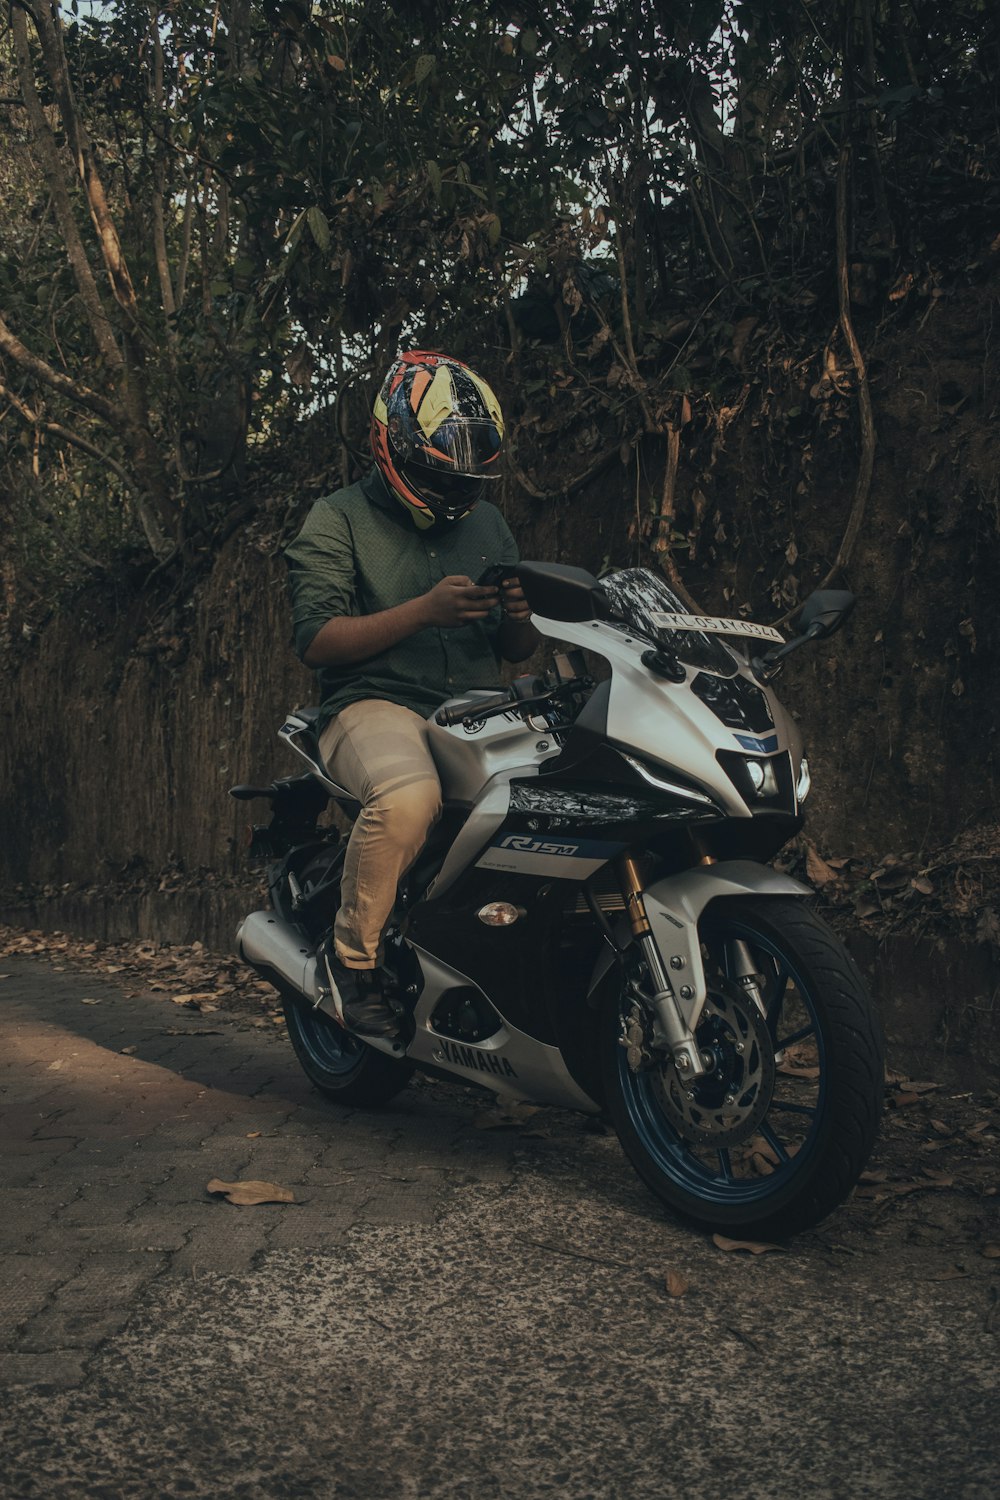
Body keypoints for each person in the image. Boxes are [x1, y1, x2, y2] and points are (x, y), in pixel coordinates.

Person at [285, 351, 538, 1039]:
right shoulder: (335, 519)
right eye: (436, 471)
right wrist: (422, 612)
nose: (455, 488)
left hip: (481, 713)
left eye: (466, 475)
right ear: (388, 445)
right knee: (407, 798)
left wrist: (519, 615)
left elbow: (517, 650)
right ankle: (351, 964)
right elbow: (316, 639)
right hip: (374, 706)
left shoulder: (488, 527)